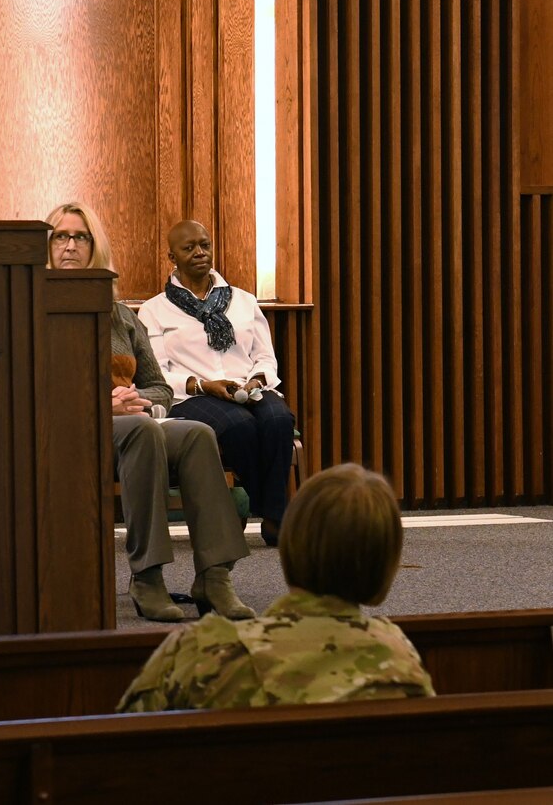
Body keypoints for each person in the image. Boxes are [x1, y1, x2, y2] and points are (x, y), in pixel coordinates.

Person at [46, 202, 253, 623]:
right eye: (60, 237)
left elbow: (159, 384)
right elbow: (28, 387)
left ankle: (214, 576)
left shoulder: (119, 315)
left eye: (80, 237)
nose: (70, 246)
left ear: (94, 247)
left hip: (133, 422)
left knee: (196, 433)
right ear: (46, 247)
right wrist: (101, 405)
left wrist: (145, 402)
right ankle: (147, 576)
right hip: (63, 428)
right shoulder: (29, 308)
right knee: (143, 432)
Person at [117, 463, 435, 711]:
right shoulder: (399, 666)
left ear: (292, 548)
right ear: (387, 566)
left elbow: (120, 750)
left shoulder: (202, 654)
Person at [137, 220, 295, 546]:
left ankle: (268, 510)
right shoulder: (154, 311)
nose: (199, 252)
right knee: (238, 427)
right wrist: (202, 385)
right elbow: (158, 373)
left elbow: (265, 356)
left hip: (247, 387)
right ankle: (274, 514)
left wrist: (256, 379)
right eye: (189, 247)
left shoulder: (243, 301)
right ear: (172, 256)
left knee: (279, 418)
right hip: (192, 394)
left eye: (204, 245)